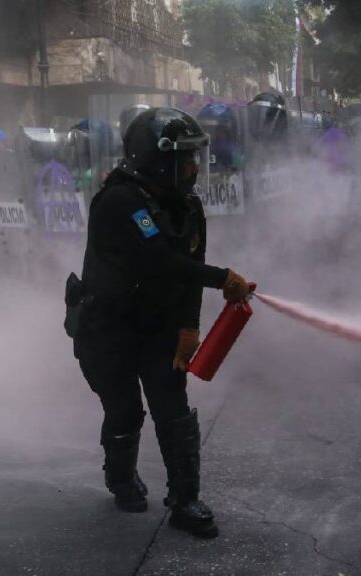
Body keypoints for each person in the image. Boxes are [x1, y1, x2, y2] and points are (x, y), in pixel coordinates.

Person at [68, 107, 254, 539]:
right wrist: (222, 279)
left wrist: (189, 327)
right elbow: (160, 261)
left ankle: (186, 500)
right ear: (156, 157)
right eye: (184, 158)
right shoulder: (120, 200)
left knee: (173, 410)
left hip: (157, 326)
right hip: (108, 328)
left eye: (195, 157)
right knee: (125, 410)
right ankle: (120, 479)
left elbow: (191, 267)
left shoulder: (187, 205)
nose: (193, 167)